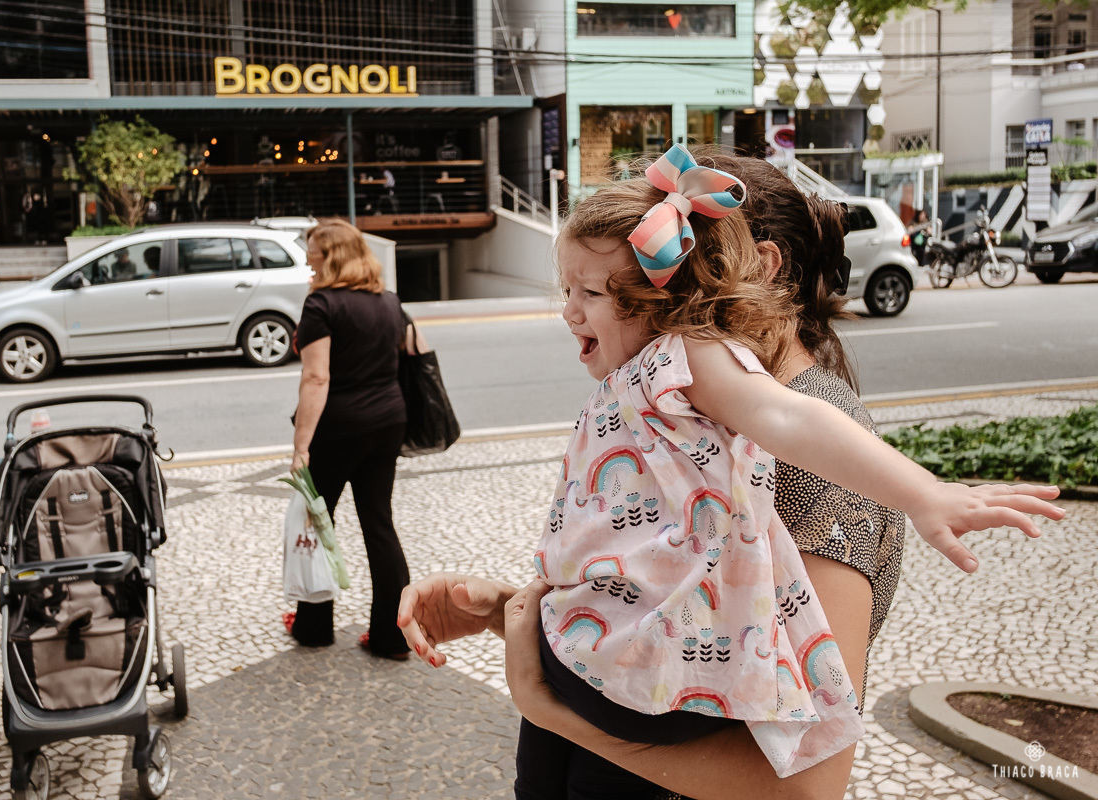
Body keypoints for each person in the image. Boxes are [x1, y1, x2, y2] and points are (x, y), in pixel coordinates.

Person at [397, 148, 1065, 798]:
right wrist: (504, 610)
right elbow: (664, 583)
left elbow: (806, 785)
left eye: (601, 288)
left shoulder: (792, 444)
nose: (570, 310)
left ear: (745, 269)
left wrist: (545, 703)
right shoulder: (669, 398)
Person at [289, 219, 412, 660]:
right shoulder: (390, 302)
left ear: (333, 257)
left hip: (337, 427)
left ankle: (314, 626)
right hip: (387, 421)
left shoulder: (322, 305)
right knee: (379, 525)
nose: (307, 260)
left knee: (319, 521)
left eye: (314, 254)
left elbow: (316, 376)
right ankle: (392, 637)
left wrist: (301, 445)